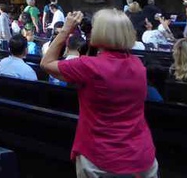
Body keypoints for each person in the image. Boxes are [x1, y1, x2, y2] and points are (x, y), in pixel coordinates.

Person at [41, 9, 158, 178]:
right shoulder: (138, 65)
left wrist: (67, 29)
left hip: (100, 157)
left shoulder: (89, 67)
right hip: (140, 156)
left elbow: (47, 63)